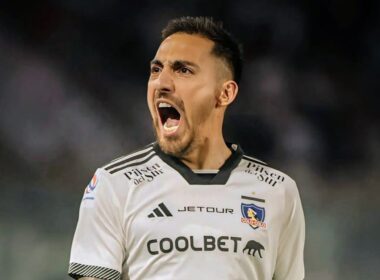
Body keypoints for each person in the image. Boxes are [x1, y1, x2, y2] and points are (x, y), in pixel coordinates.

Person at [68, 16, 305, 280]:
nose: (161, 83)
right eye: (156, 70)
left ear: (225, 93)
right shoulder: (114, 184)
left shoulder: (277, 191)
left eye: (183, 70)